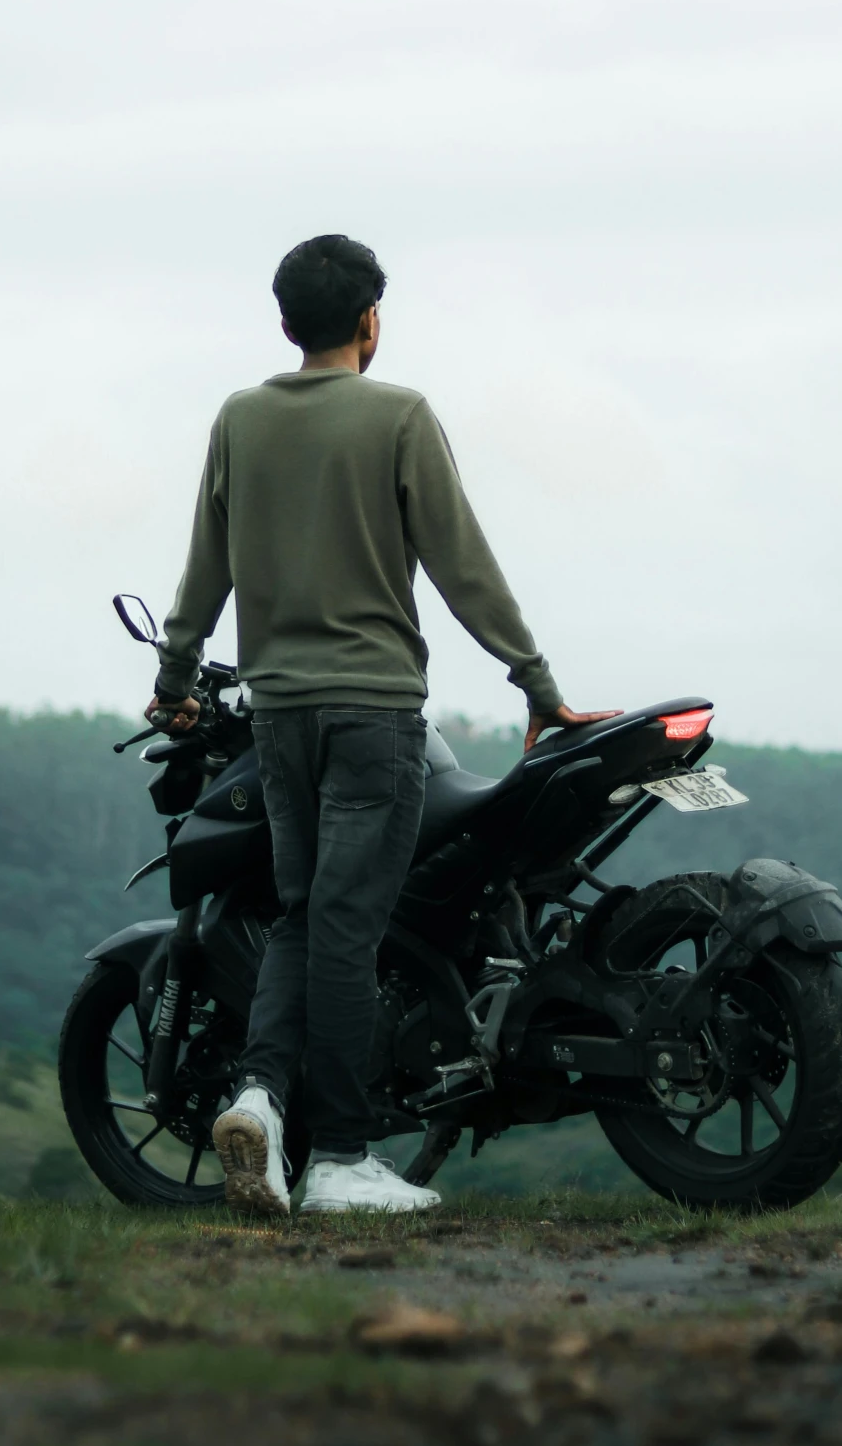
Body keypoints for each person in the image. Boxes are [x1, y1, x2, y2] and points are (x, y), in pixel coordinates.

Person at [148, 234, 615, 1217]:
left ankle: (259, 1101)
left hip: (278, 718)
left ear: (285, 323)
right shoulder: (399, 416)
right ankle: (342, 1159)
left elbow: (204, 566)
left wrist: (175, 676)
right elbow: (462, 565)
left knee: (304, 913)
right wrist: (537, 684)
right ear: (370, 321)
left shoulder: (239, 418)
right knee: (348, 925)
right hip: (372, 714)